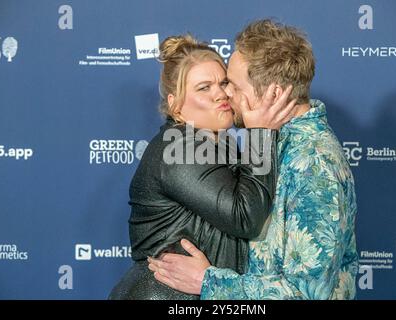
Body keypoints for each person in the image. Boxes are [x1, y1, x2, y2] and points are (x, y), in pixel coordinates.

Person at [148, 19, 359, 300]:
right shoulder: (274, 143)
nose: (225, 95)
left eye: (231, 85)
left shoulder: (313, 163)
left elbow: (305, 294)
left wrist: (209, 282)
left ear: (272, 92)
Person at [108, 34, 297, 299]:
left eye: (223, 83)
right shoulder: (179, 149)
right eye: (204, 88)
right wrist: (261, 133)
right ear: (175, 105)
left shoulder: (221, 143)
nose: (221, 93)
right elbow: (246, 217)